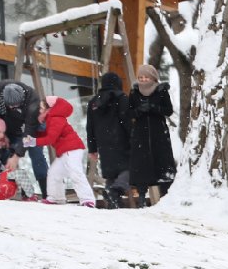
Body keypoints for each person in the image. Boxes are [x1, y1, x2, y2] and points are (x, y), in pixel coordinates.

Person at [126, 65, 176, 207]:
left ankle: (166, 197)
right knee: (141, 166)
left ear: (153, 78)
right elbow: (128, 113)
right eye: (140, 77)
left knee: (162, 165)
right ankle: (141, 197)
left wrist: (154, 108)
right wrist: (139, 111)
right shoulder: (134, 92)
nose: (143, 80)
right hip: (140, 134)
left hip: (158, 134)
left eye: (146, 77)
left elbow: (168, 110)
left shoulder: (161, 91)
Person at [0, 79, 47, 194]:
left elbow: (29, 131)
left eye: (15, 105)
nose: (12, 107)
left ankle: (46, 192)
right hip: (9, 124)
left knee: (36, 154)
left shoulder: (33, 102)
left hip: (33, 126)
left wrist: (17, 155)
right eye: (10, 105)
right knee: (2, 151)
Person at [34, 96, 96, 207]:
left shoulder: (56, 118)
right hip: (65, 151)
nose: (40, 110)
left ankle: (88, 200)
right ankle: (56, 198)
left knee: (75, 173)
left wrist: (34, 141)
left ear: (50, 108)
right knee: (54, 173)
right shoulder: (51, 119)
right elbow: (48, 134)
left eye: (42, 108)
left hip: (72, 150)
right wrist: (35, 135)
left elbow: (50, 139)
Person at [87, 72, 132, 208]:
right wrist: (134, 138)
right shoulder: (121, 98)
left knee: (112, 174)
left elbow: (90, 127)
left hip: (103, 143)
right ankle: (114, 191)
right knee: (132, 168)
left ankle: (113, 203)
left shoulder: (94, 102)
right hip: (121, 140)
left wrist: (92, 148)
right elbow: (127, 121)